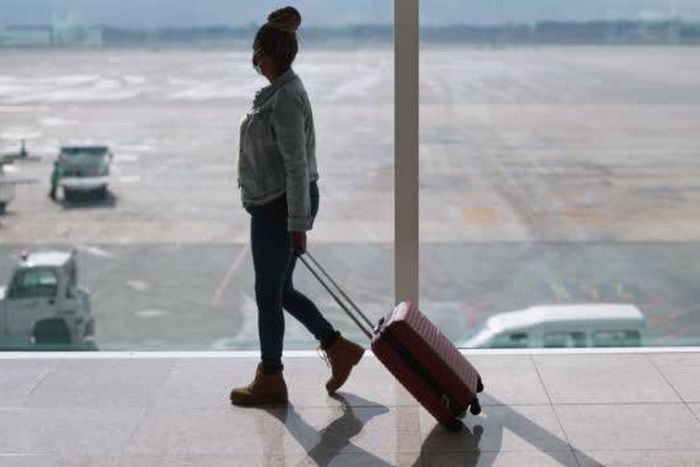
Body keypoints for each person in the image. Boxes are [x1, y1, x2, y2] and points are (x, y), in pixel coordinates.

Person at [230, 6, 364, 406]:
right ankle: (337, 347)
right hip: (274, 204)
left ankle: (271, 376)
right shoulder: (279, 90)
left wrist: (297, 223)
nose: (254, 60)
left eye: (256, 53)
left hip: (279, 206)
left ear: (265, 54)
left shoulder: (285, 97)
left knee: (267, 293)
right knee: (280, 290)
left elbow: (296, 166)